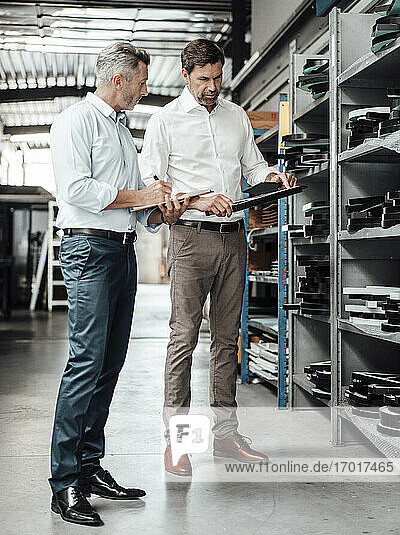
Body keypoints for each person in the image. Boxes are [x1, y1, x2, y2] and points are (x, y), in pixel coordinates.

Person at [139, 38, 296, 477]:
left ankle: (226, 436)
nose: (212, 86)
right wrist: (199, 199)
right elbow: (154, 184)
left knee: (227, 340)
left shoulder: (236, 117)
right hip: (189, 237)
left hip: (234, 239)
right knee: (184, 339)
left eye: (217, 77)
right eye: (204, 79)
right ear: (186, 76)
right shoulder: (165, 121)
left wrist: (272, 176)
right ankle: (178, 443)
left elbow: (252, 166)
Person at [49, 42, 188, 526]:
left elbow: (132, 205)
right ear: (119, 79)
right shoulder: (76, 121)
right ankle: (64, 484)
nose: (145, 89)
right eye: (142, 80)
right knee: (86, 361)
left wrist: (157, 211)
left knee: (110, 362)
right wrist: (142, 194)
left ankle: (89, 468)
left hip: (120, 250)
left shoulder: (121, 129)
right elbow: (77, 190)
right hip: (88, 250)